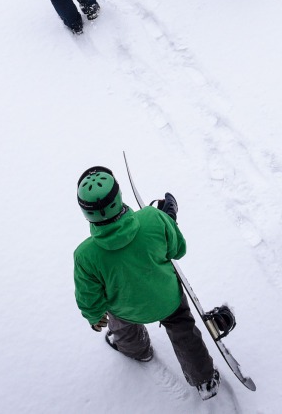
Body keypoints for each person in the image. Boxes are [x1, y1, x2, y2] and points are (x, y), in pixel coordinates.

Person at [73, 167, 222, 400]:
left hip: (126, 310)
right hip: (167, 299)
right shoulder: (152, 217)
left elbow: (88, 296)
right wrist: (167, 219)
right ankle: (204, 379)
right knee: (183, 329)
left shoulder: (85, 255)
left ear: (85, 212)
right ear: (119, 195)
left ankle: (138, 351)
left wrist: (93, 316)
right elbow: (178, 250)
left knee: (121, 326)